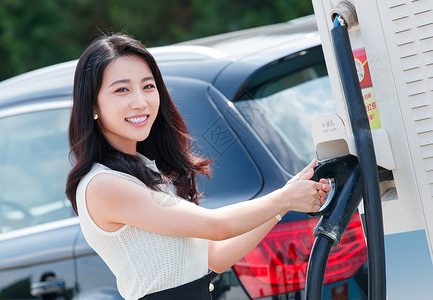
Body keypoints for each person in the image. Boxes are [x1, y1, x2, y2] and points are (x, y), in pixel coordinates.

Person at [65, 33, 330, 300]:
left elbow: (217, 256)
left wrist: (285, 201)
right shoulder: (103, 185)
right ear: (92, 104)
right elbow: (218, 226)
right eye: (122, 90)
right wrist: (283, 198)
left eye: (148, 86)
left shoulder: (146, 172)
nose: (140, 102)